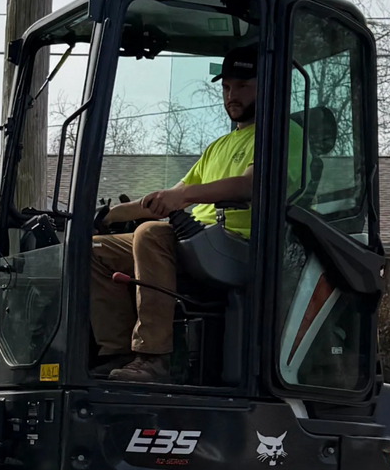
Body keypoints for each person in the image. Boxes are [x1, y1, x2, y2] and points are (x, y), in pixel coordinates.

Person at [90, 44, 262, 382]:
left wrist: (182, 196)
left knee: (151, 234)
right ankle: (119, 354)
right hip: (200, 243)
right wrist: (104, 216)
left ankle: (153, 358)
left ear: (266, 85)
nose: (232, 96)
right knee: (96, 250)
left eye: (243, 86)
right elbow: (166, 198)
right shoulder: (219, 146)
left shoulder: (280, 135)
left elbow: (248, 186)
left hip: (240, 246)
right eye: (227, 87)